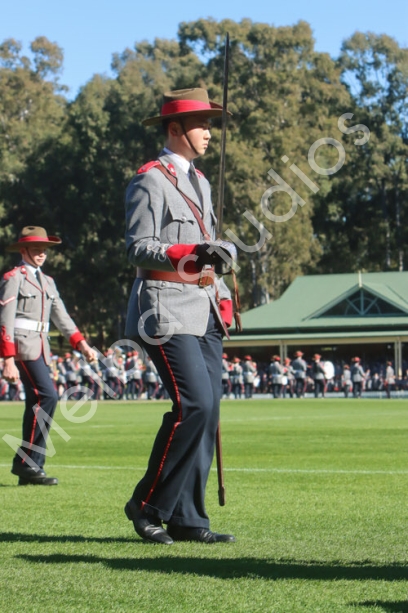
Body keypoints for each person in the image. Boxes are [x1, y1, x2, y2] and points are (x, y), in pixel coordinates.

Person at [123, 88, 236, 545]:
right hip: (164, 307)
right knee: (195, 405)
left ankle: (188, 518)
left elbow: (208, 245)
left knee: (209, 413)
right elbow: (138, 248)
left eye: (210, 124)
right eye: (201, 124)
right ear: (175, 129)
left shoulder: (201, 182)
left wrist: (221, 269)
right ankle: (147, 504)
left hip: (204, 307)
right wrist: (189, 251)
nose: (209, 132)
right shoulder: (150, 180)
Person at [0, 226, 96, 485]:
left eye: (44, 250)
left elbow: (62, 317)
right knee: (48, 396)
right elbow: (5, 320)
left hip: (41, 347)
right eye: (36, 249)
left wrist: (82, 345)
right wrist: (7, 359)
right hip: (22, 347)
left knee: (38, 401)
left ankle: (29, 468)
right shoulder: (14, 278)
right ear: (23, 251)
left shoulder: (48, 282)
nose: (42, 254)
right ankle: (27, 463)